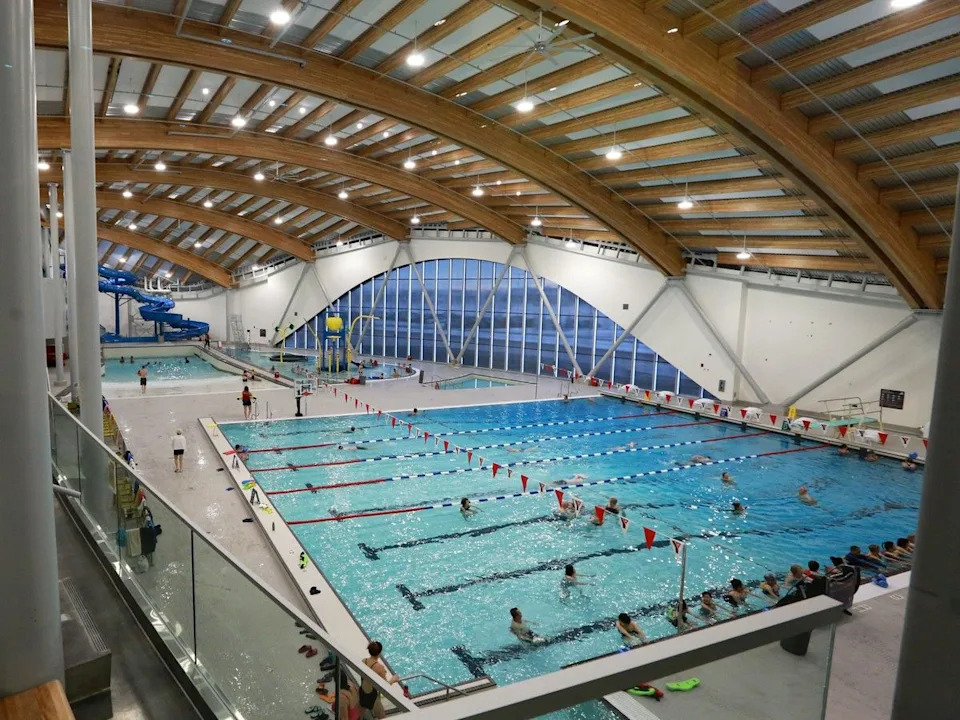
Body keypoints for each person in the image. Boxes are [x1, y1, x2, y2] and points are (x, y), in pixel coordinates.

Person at [359, 641, 398, 719]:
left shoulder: (364, 661)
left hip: (362, 691)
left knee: (360, 716)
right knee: (382, 717)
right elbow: (385, 686)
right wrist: (393, 679)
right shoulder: (380, 667)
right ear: (379, 653)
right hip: (372, 696)